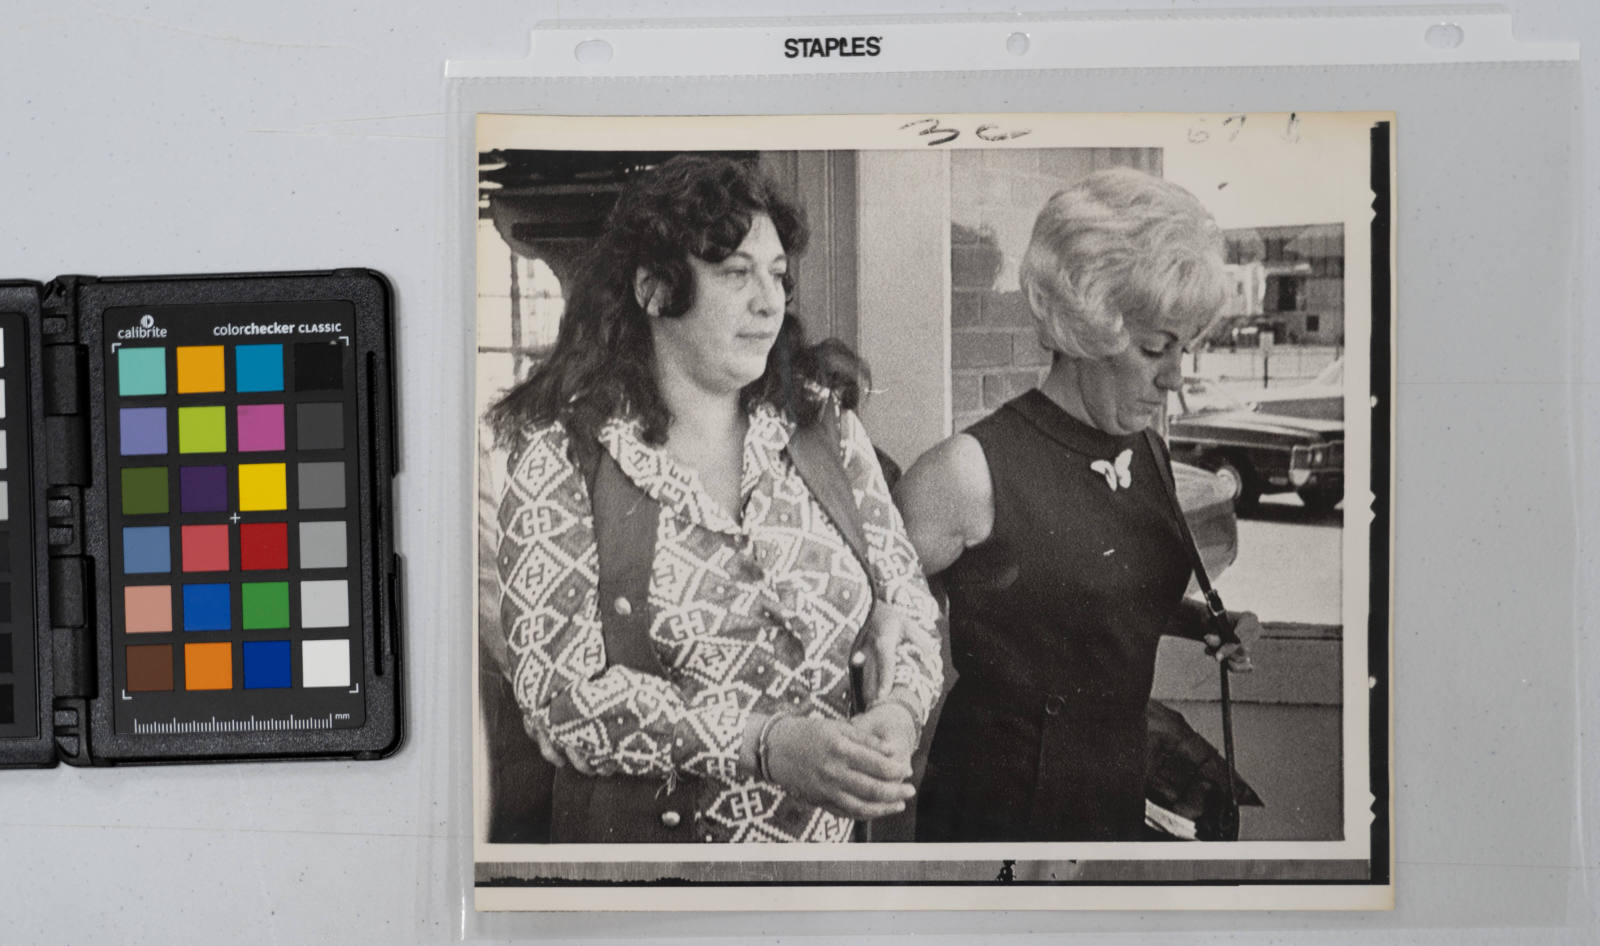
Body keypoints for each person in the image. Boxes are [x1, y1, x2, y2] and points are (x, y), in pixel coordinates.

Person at [488, 155, 942, 843]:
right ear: (653, 289)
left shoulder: (824, 427)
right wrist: (765, 744)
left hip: (840, 871)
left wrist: (902, 709)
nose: (770, 301)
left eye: (778, 275)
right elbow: (560, 698)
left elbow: (908, 606)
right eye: (736, 273)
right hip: (662, 883)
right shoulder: (561, 454)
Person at [896, 167, 1258, 842]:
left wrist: (1206, 621)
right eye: (1155, 349)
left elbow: (1071, 594)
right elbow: (867, 629)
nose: (1177, 378)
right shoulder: (967, 474)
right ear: (1090, 328)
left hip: (1113, 790)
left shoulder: (1143, 449)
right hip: (1000, 816)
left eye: (1185, 348)